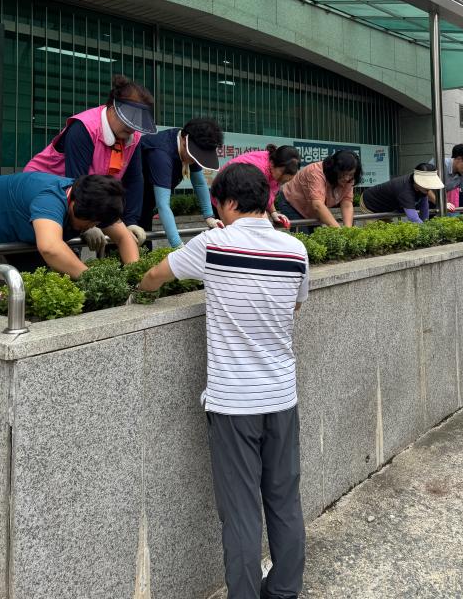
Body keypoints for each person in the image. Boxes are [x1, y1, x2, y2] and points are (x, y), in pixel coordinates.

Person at [137, 163, 308, 599]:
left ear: (228, 203)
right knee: (284, 500)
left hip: (234, 404)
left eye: (219, 204)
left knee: (241, 511)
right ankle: (285, 590)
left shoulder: (214, 243)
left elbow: (156, 276)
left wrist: (139, 290)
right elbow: (294, 309)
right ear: (268, 200)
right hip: (281, 396)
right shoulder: (295, 250)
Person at [24, 75, 156, 251]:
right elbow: (77, 178)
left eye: (136, 121)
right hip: (45, 190)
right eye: (127, 119)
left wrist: (131, 221)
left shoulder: (134, 138)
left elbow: (134, 180)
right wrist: (90, 223)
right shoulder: (84, 127)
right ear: (112, 107)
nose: (131, 127)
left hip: (81, 197)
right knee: (50, 250)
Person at [0, 172, 139, 281]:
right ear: (73, 206)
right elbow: (50, 248)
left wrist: (135, 278)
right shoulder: (49, 200)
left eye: (97, 224)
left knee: (38, 280)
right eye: (90, 223)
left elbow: (124, 238)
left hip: (20, 230)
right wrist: (92, 279)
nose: (93, 227)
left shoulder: (99, 200)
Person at [138, 118, 224, 247]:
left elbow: (199, 184)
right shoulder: (161, 154)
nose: (196, 161)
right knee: (128, 250)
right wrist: (178, 245)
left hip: (147, 204)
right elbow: (163, 205)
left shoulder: (191, 145)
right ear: (184, 140)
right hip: (128, 202)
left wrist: (209, 217)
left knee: (144, 247)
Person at [214, 144, 301, 228]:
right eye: (281, 178)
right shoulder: (258, 169)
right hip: (225, 198)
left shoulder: (274, 169)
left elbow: (267, 193)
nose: (281, 182)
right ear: (272, 163)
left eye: (284, 181)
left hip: (241, 203)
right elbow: (256, 202)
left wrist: (274, 213)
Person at [276, 150, 361, 230]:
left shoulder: (350, 178)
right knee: (304, 237)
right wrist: (339, 231)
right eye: (343, 174)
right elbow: (318, 205)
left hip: (311, 209)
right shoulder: (316, 172)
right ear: (335, 169)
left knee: (317, 237)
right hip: (291, 203)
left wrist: (348, 230)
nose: (346, 178)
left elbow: (347, 203)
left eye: (350, 174)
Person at [360, 163, 444, 224]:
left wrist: (426, 223)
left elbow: (424, 208)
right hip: (370, 204)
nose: (429, 188)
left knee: (388, 233)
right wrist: (428, 231)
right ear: (418, 182)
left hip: (386, 207)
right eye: (427, 183)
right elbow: (413, 218)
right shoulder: (405, 190)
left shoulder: (422, 188)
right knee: (374, 235)